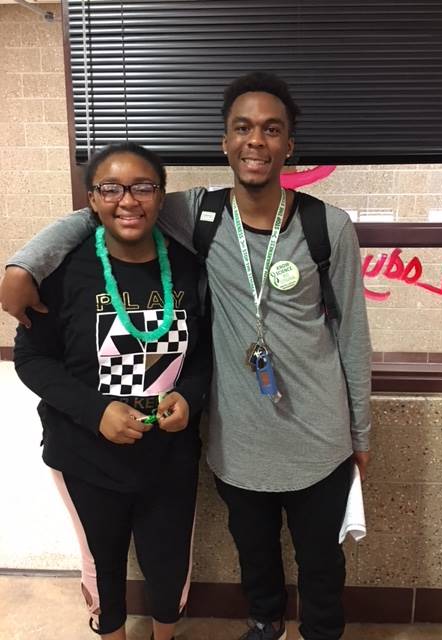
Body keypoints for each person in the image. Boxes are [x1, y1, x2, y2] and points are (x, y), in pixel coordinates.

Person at [2, 72, 371, 640]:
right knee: (255, 556)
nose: (256, 141)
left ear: (289, 144)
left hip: (319, 437)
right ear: (223, 142)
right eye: (242, 128)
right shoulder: (198, 213)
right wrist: (24, 265)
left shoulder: (329, 227)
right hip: (238, 438)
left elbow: (352, 337)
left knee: (321, 563)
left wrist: (361, 436)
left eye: (271, 129)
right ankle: (264, 626)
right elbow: (108, 208)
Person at [12, 142, 211, 640]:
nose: (128, 200)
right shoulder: (61, 272)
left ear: (161, 197)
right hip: (86, 455)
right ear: (93, 199)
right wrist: (95, 410)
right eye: (112, 188)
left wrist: (188, 395)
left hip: (170, 454)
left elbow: (205, 354)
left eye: (143, 187)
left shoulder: (189, 266)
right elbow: (32, 358)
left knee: (168, 561)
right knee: (103, 563)